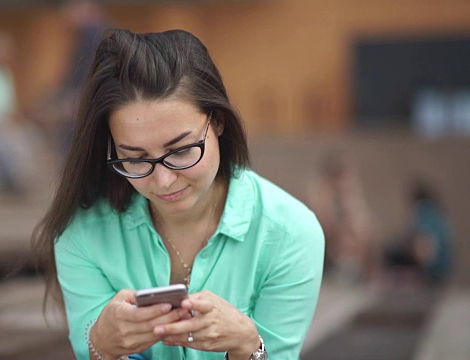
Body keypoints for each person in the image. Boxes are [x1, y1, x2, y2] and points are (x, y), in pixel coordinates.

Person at [32, 29, 324, 360]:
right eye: (136, 158)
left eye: (182, 150)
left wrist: (247, 345)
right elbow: (95, 351)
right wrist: (102, 348)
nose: (164, 180)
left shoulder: (290, 233)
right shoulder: (82, 234)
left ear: (217, 122)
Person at [306, 150, 376, 284]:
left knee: (359, 230)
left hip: (345, 236)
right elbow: (324, 218)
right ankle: (343, 266)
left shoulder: (348, 194)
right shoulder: (320, 190)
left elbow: (362, 223)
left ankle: (353, 266)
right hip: (327, 237)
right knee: (345, 236)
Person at [384, 181, 454, 285]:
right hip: (445, 269)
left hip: (432, 270)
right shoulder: (439, 212)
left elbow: (423, 243)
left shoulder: (421, 209)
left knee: (392, 252)